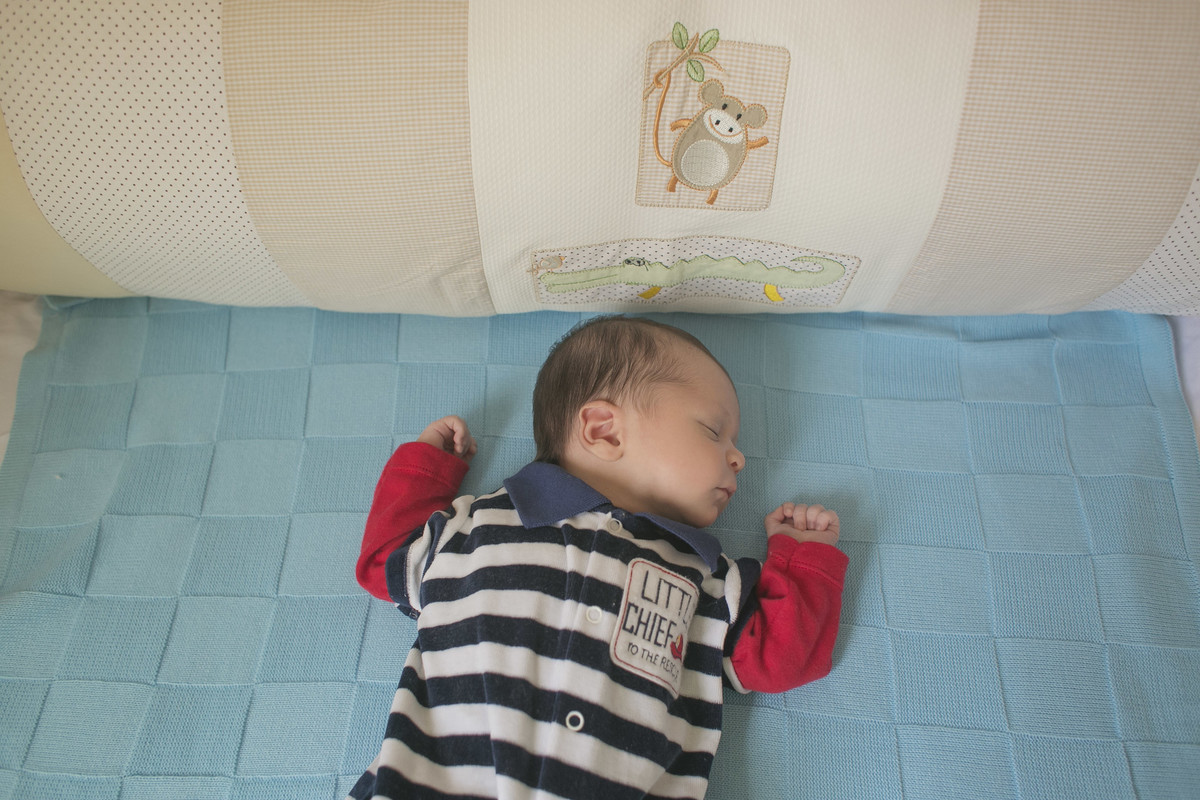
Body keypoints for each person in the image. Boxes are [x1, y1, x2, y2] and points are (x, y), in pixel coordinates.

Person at [351, 315, 848, 800]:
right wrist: (428, 467)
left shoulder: (706, 577)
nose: (739, 458)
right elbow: (386, 560)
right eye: (713, 431)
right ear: (605, 431)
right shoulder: (482, 525)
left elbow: (782, 659)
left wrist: (804, 560)